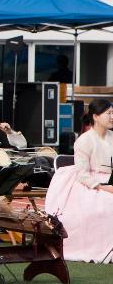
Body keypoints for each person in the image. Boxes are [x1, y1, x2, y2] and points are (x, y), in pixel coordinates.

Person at [45, 98, 113, 263]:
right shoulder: (84, 140)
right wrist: (102, 187)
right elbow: (82, 174)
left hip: (110, 179)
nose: (112, 117)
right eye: (108, 113)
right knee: (107, 205)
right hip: (90, 183)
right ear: (95, 117)